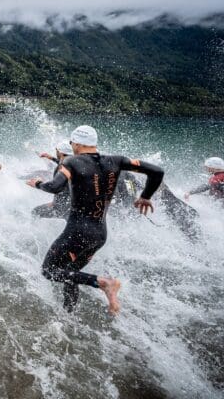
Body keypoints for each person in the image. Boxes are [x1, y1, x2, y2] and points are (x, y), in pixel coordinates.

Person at [26, 125, 164, 314]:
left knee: (48, 271)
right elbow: (157, 171)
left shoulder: (71, 162)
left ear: (76, 143)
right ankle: (70, 314)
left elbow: (55, 187)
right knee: (71, 274)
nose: (71, 146)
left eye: (72, 143)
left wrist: (38, 184)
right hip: (99, 235)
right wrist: (146, 196)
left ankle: (103, 283)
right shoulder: (116, 161)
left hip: (77, 232)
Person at [31, 142, 73, 219]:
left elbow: (54, 187)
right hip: (71, 204)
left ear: (60, 152)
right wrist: (51, 158)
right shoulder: (73, 164)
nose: (56, 152)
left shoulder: (62, 169)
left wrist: (38, 184)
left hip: (61, 207)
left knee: (35, 211)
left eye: (56, 150)